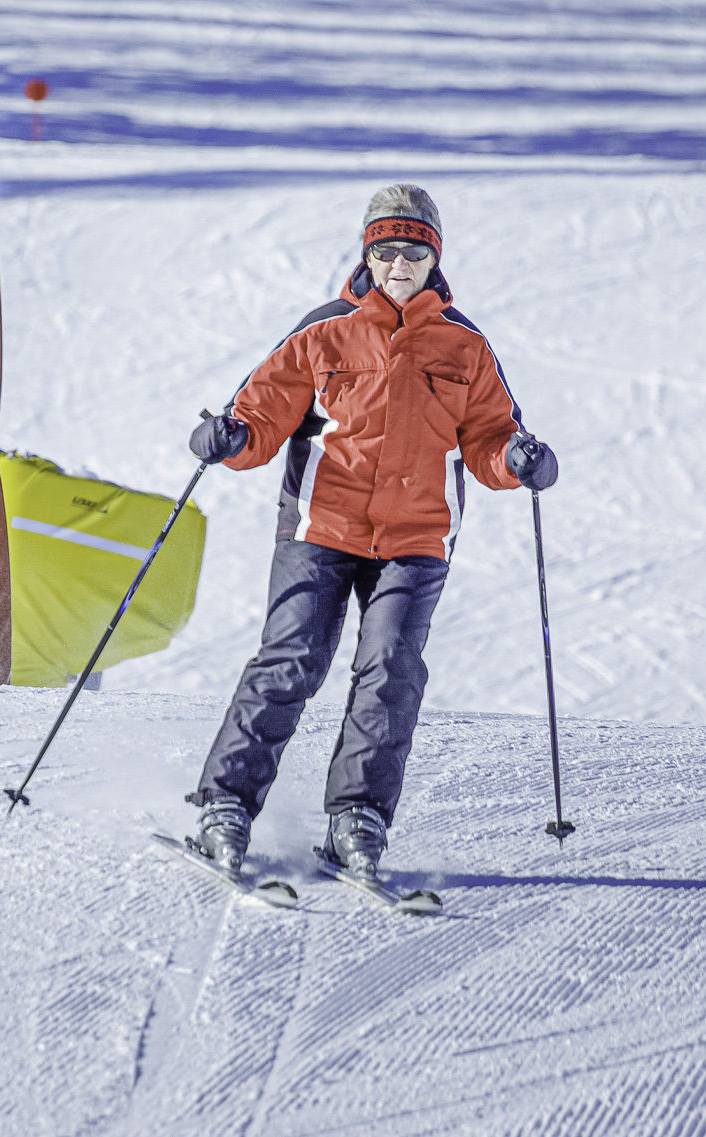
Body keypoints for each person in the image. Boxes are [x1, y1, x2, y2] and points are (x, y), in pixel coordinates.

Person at [183, 184, 559, 882]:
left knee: (391, 669)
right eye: (385, 251)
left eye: (413, 251)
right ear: (367, 254)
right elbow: (260, 416)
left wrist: (517, 459)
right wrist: (229, 436)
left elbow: (489, 437)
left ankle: (357, 817)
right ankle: (225, 804)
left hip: (415, 538)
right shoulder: (322, 331)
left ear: (434, 257)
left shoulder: (466, 346)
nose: (398, 264)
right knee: (292, 657)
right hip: (320, 526)